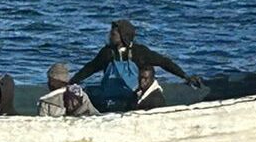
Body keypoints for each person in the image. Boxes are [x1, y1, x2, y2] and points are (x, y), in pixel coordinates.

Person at [71, 19, 202, 107]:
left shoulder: (140, 52)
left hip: (131, 98)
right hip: (110, 97)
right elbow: (89, 68)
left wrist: (185, 76)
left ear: (124, 36)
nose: (110, 36)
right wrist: (71, 82)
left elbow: (164, 62)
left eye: (114, 33)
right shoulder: (106, 53)